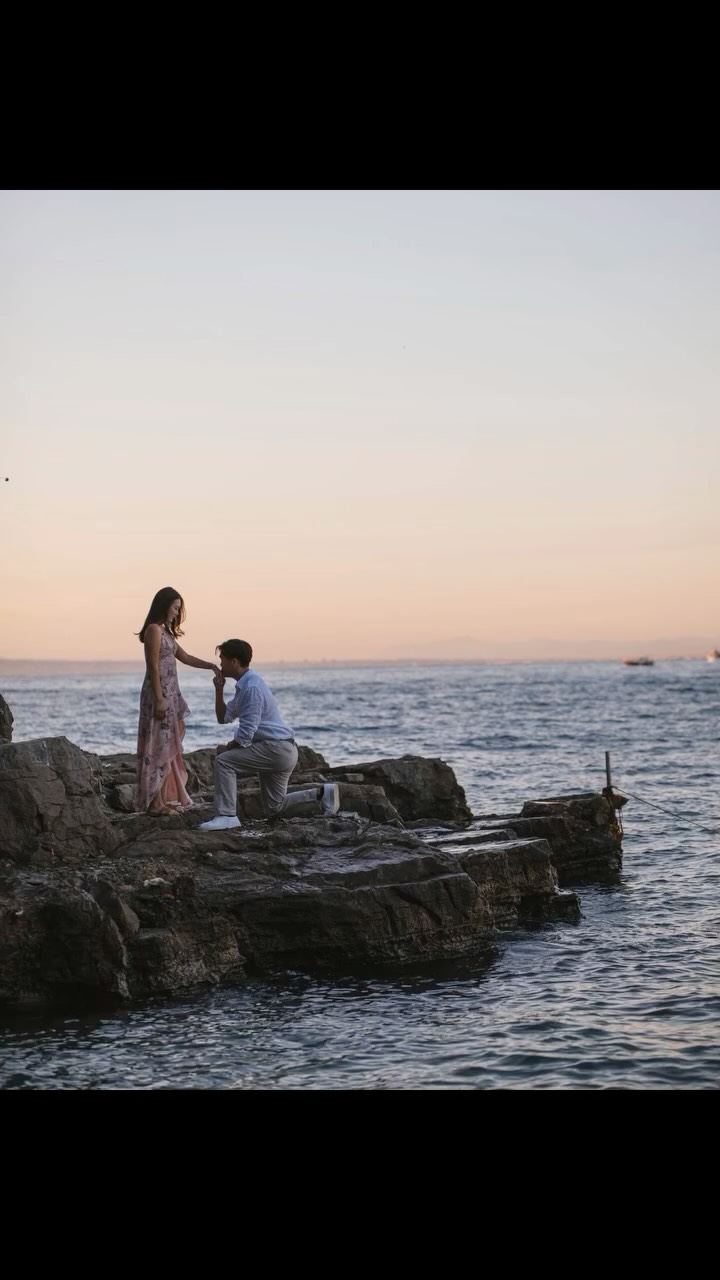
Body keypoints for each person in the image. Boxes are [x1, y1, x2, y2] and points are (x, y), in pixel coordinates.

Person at [198, 638, 340, 831]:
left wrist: (228, 747)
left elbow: (246, 734)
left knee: (224, 761)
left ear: (234, 662)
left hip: (275, 749)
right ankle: (322, 795)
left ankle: (227, 815)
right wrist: (219, 690)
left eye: (222, 660)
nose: (220, 665)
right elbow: (223, 717)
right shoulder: (246, 686)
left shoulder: (251, 689)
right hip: (281, 750)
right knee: (274, 808)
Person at [136, 587, 219, 816]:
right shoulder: (153, 630)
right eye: (175, 607)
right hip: (158, 696)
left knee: (166, 747)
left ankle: (161, 800)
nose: (176, 612)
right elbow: (152, 666)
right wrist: (160, 699)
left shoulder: (166, 633)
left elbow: (185, 657)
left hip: (170, 697)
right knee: (157, 746)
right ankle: (155, 804)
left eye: (179, 608)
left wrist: (211, 666)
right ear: (164, 605)